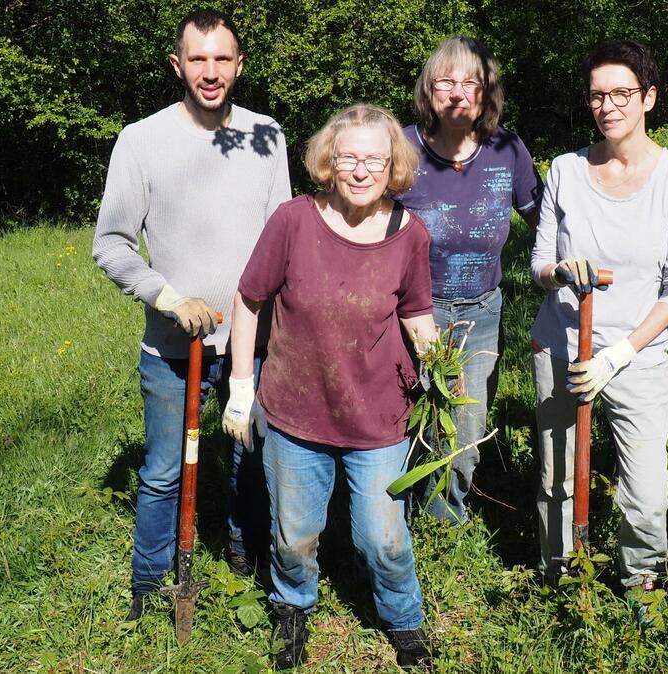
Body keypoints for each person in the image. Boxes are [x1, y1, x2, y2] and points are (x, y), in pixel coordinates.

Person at [223, 104, 438, 670]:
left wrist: (441, 372)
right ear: (328, 161)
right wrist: (241, 387)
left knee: (381, 539)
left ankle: (403, 618)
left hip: (379, 414)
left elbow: (417, 312)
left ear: (393, 164)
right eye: (349, 158)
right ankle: (291, 606)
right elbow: (248, 300)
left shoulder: (410, 233)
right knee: (294, 535)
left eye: (375, 159)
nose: (361, 170)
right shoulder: (293, 221)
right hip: (295, 409)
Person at [92, 9, 290, 621]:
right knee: (159, 471)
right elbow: (112, 244)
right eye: (197, 59)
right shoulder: (141, 140)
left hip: (249, 344)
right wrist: (170, 298)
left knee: (249, 464)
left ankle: (244, 561)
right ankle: (149, 587)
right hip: (173, 344)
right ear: (177, 65)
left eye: (222, 59)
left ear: (239, 66)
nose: (210, 72)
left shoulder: (267, 136)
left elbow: (282, 239)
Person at [530, 41, 668, 592]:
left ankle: (641, 583)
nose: (608, 106)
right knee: (556, 474)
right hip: (561, 344)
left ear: (648, 98)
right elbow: (536, 265)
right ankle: (559, 572)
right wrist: (562, 271)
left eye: (622, 94)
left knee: (646, 488)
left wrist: (619, 354)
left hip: (637, 355)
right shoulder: (565, 169)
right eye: (597, 96)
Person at [400, 36, 543, 523]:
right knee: (409, 420)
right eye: (446, 81)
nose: (458, 92)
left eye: (470, 82)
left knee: (464, 429)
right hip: (415, 312)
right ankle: (402, 520)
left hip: (482, 312)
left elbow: (545, 220)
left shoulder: (507, 149)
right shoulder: (403, 149)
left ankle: (445, 528)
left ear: (486, 92)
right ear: (428, 90)